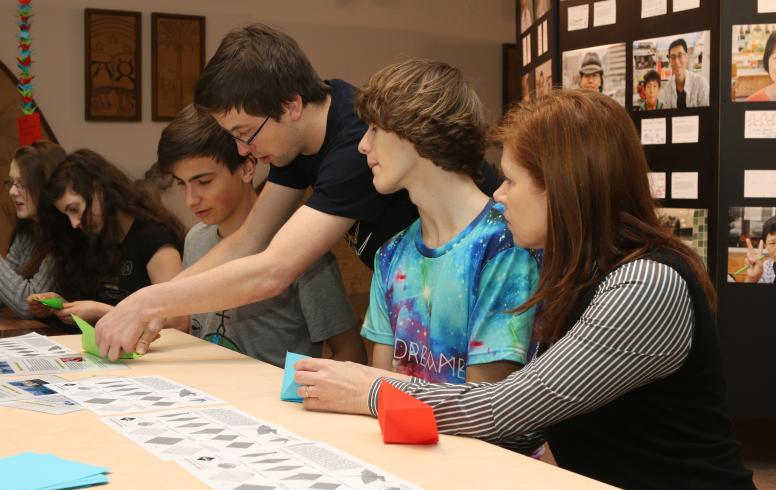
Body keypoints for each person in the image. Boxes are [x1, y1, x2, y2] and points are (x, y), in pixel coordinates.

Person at [292, 91, 771, 490]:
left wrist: (372, 389)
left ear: (563, 189)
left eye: (513, 181)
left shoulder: (643, 284)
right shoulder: (575, 271)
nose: (499, 196)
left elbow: (505, 409)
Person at [93, 24, 497, 359]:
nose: (242, 150)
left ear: (291, 106)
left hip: (480, 283)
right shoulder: (302, 135)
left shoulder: (353, 143)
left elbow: (274, 271)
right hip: (418, 300)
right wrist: (152, 300)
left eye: (244, 133)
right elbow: (250, 239)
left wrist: (150, 303)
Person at [355, 58, 538, 384]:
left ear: (415, 130)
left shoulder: (506, 243)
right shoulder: (390, 255)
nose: (363, 145)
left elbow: (484, 405)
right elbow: (377, 391)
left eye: (375, 128)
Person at [158, 104, 366, 365]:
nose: (190, 199)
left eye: (204, 182)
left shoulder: (299, 248)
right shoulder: (196, 239)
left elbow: (351, 352)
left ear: (247, 168)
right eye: (181, 183)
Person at [28, 149, 186, 328]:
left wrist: (98, 311)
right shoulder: (92, 238)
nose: (73, 223)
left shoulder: (153, 237)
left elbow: (178, 321)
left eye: (74, 209)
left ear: (98, 190)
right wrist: (65, 306)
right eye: (66, 214)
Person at [0, 141, 65, 318]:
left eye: (21, 183)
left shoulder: (66, 234)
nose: (12, 192)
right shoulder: (28, 230)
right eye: (11, 182)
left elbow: (28, 305)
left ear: (45, 187)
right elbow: (5, 292)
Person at [659, 38, 709, 108]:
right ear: (669, 61)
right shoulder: (667, 89)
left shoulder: (701, 84)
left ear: (686, 57)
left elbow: (707, 116)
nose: (676, 61)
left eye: (680, 55)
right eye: (673, 57)